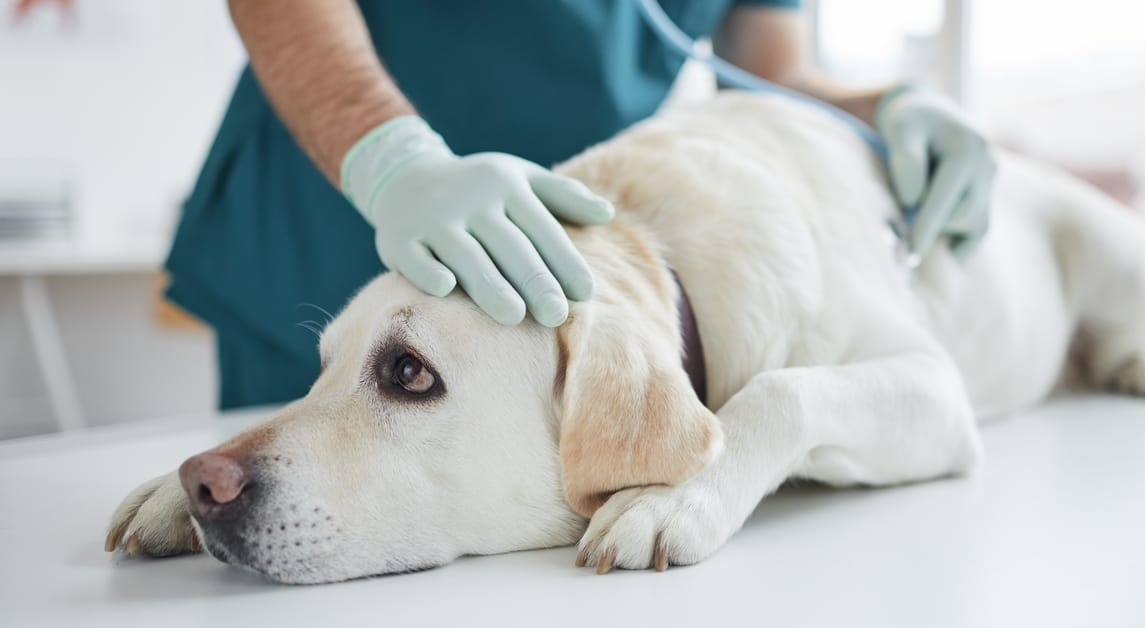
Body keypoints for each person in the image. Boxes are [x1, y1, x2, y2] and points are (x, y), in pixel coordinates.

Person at [164, 0, 995, 409]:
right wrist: (394, 162)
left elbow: (773, 66)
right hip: (325, 221)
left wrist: (886, 111)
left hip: (548, 283)